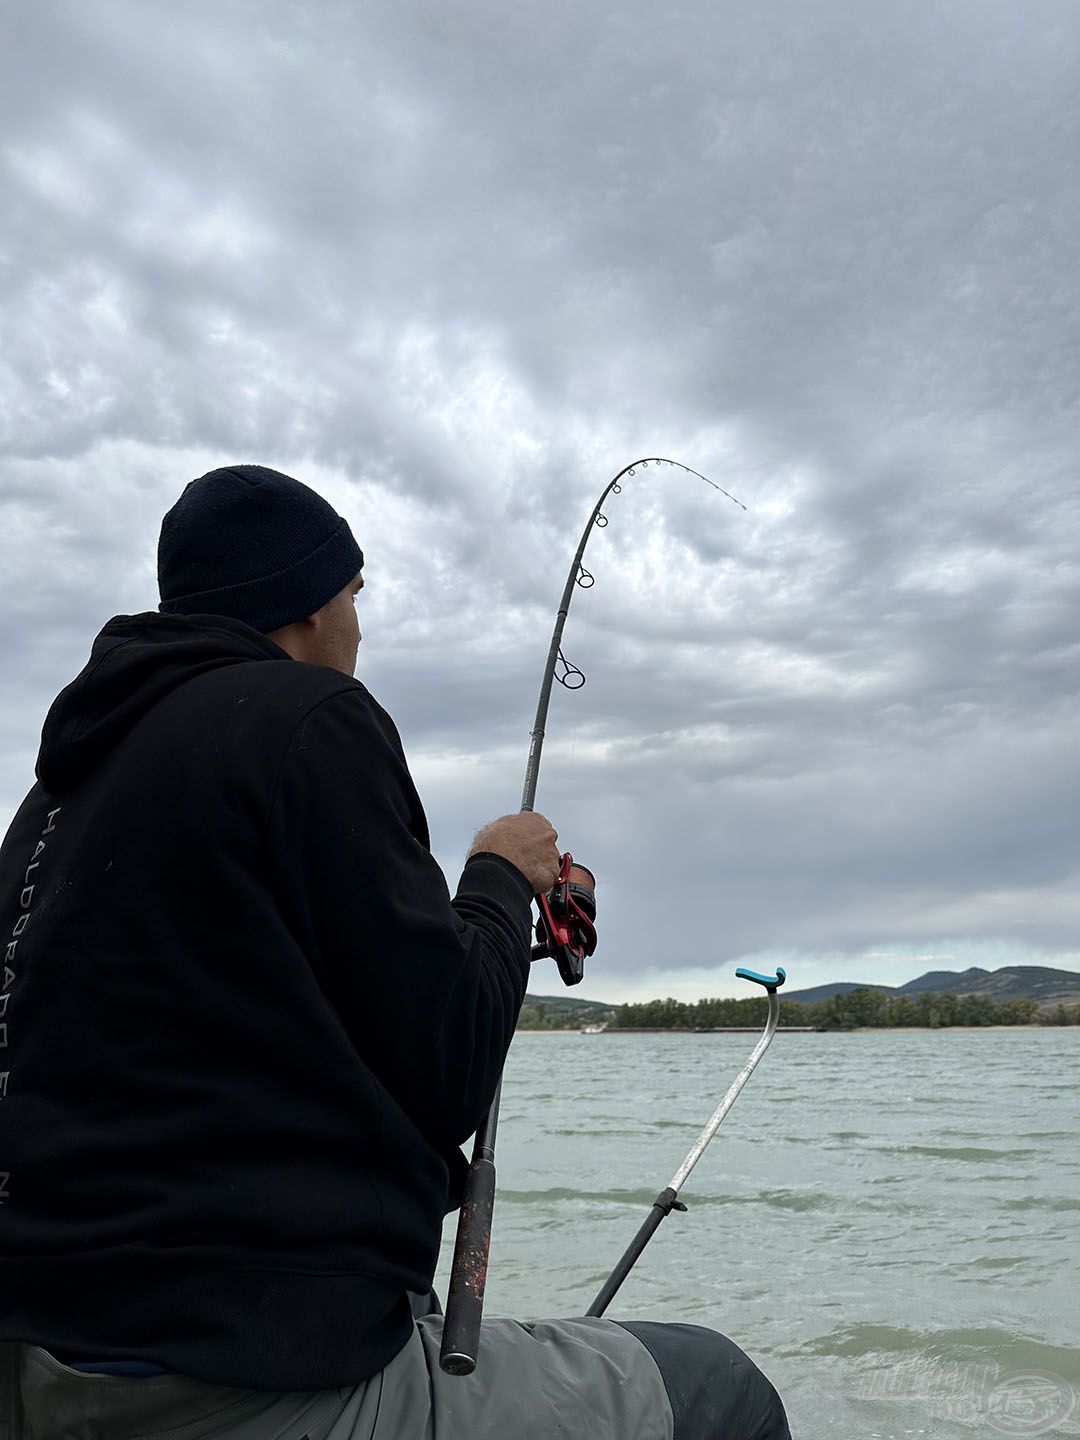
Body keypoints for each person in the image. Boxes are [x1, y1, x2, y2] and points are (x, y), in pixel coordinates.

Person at [0, 465, 789, 1439]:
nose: (358, 627)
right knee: (720, 1388)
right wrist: (500, 880)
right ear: (304, 602)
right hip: (231, 1376)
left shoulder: (53, 802)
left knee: (412, 1305)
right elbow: (449, 1057)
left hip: (42, 1359)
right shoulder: (308, 720)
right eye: (353, 594)